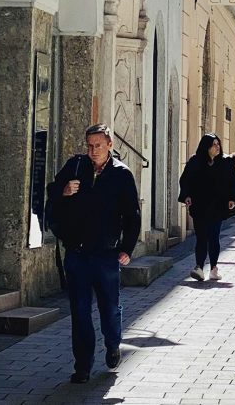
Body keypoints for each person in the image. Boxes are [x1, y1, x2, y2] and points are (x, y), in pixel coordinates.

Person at [46, 124, 141, 384]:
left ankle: (112, 344)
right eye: (89, 145)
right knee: (79, 311)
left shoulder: (122, 175)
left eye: (98, 145)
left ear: (109, 145)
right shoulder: (75, 167)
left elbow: (132, 214)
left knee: (109, 308)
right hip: (77, 253)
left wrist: (127, 249)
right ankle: (83, 366)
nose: (93, 151)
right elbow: (52, 192)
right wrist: (64, 192)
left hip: (107, 254)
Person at [178, 133, 235, 282]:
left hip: (217, 206)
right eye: (214, 144)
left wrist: (232, 198)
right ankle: (199, 267)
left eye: (218, 144)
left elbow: (233, 182)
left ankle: (213, 268)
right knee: (201, 237)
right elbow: (185, 180)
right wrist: (186, 196)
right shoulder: (195, 161)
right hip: (199, 205)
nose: (217, 147)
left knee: (214, 237)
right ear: (206, 147)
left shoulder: (224, 162)